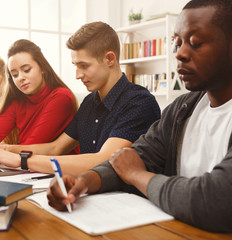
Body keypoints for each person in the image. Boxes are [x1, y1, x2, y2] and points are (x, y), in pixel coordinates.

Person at [47, 0, 232, 233]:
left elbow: (214, 200)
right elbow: (133, 158)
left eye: (195, 43)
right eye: (177, 43)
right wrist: (85, 181)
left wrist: (137, 175)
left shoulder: (139, 102)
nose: (181, 53)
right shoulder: (182, 109)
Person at [0, 22, 161, 175]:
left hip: (125, 203)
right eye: (75, 65)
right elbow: (54, 148)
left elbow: (103, 161)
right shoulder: (90, 103)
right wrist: (5, 150)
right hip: (88, 193)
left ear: (110, 59)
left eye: (83, 66)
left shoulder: (138, 102)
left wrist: (22, 160)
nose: (77, 75)